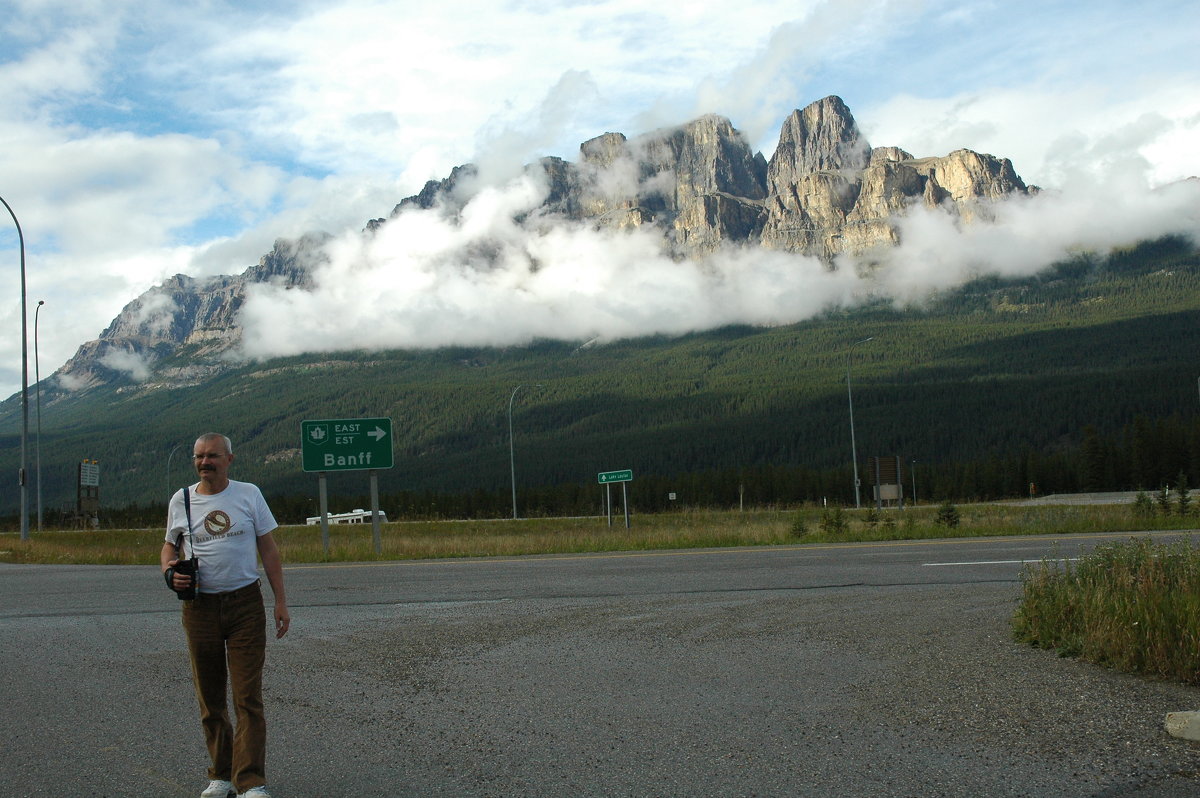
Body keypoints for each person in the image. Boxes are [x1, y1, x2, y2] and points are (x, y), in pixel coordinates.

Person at [162, 432, 290, 798]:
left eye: (213, 456)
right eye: (199, 457)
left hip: (245, 605)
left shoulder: (249, 494)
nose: (205, 462)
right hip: (199, 607)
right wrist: (169, 572)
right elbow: (169, 545)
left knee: (247, 696)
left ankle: (251, 781)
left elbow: (268, 548)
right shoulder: (182, 499)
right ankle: (221, 775)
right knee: (211, 695)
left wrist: (280, 601)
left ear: (229, 459)